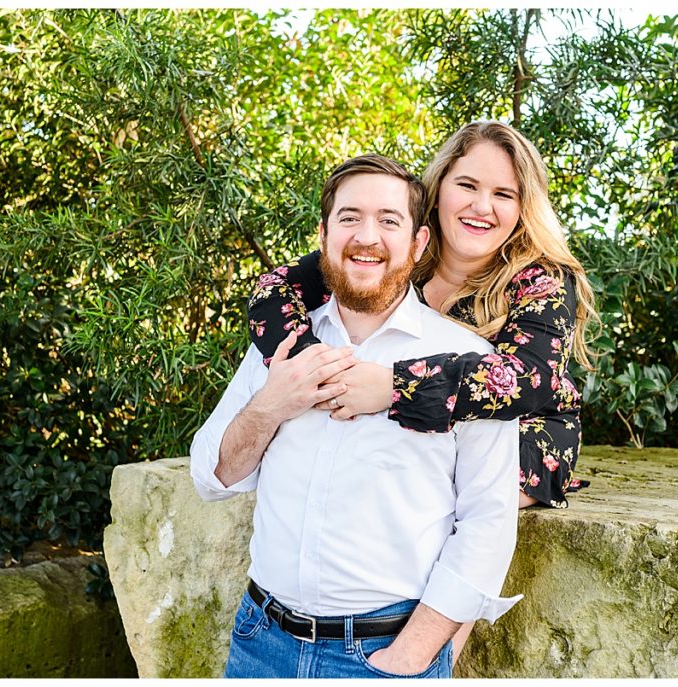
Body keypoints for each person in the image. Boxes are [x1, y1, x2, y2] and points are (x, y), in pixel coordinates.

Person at [246, 120, 598, 661]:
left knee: (470, 506)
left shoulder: (539, 279)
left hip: (528, 431)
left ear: (523, 207)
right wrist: (312, 369)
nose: (482, 206)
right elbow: (274, 289)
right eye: (468, 185)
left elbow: (525, 381)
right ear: (439, 189)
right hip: (408, 426)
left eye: (503, 194)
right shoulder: (401, 252)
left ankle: (431, 655)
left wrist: (391, 386)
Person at [191, 154, 521, 679]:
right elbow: (213, 477)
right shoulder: (279, 346)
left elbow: (489, 521)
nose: (367, 236)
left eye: (389, 221)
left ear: (417, 244)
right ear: (323, 235)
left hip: (381, 655)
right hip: (260, 643)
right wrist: (274, 402)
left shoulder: (469, 363)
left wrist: (410, 655)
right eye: (349, 218)